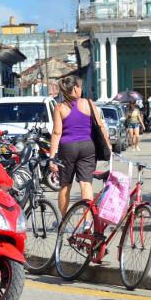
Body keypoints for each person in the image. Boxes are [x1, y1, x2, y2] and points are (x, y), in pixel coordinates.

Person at [49, 75, 109, 216]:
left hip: (67, 148)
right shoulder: (89, 103)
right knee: (86, 184)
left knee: (65, 186)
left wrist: (52, 157)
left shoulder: (60, 107)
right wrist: (108, 146)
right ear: (75, 88)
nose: (81, 89)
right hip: (88, 146)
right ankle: (87, 222)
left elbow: (57, 132)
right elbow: (100, 126)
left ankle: (63, 221)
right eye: (80, 86)